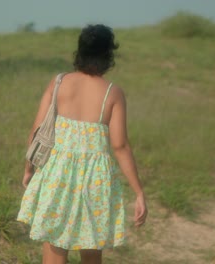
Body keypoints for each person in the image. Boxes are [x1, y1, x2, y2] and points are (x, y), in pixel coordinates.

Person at [17, 24, 147, 264]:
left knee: (54, 247)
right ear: (109, 55)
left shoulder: (58, 83)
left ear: (80, 51)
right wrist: (138, 192)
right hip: (95, 179)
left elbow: (37, 131)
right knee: (91, 249)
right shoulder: (113, 93)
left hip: (56, 174)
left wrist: (29, 169)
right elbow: (120, 146)